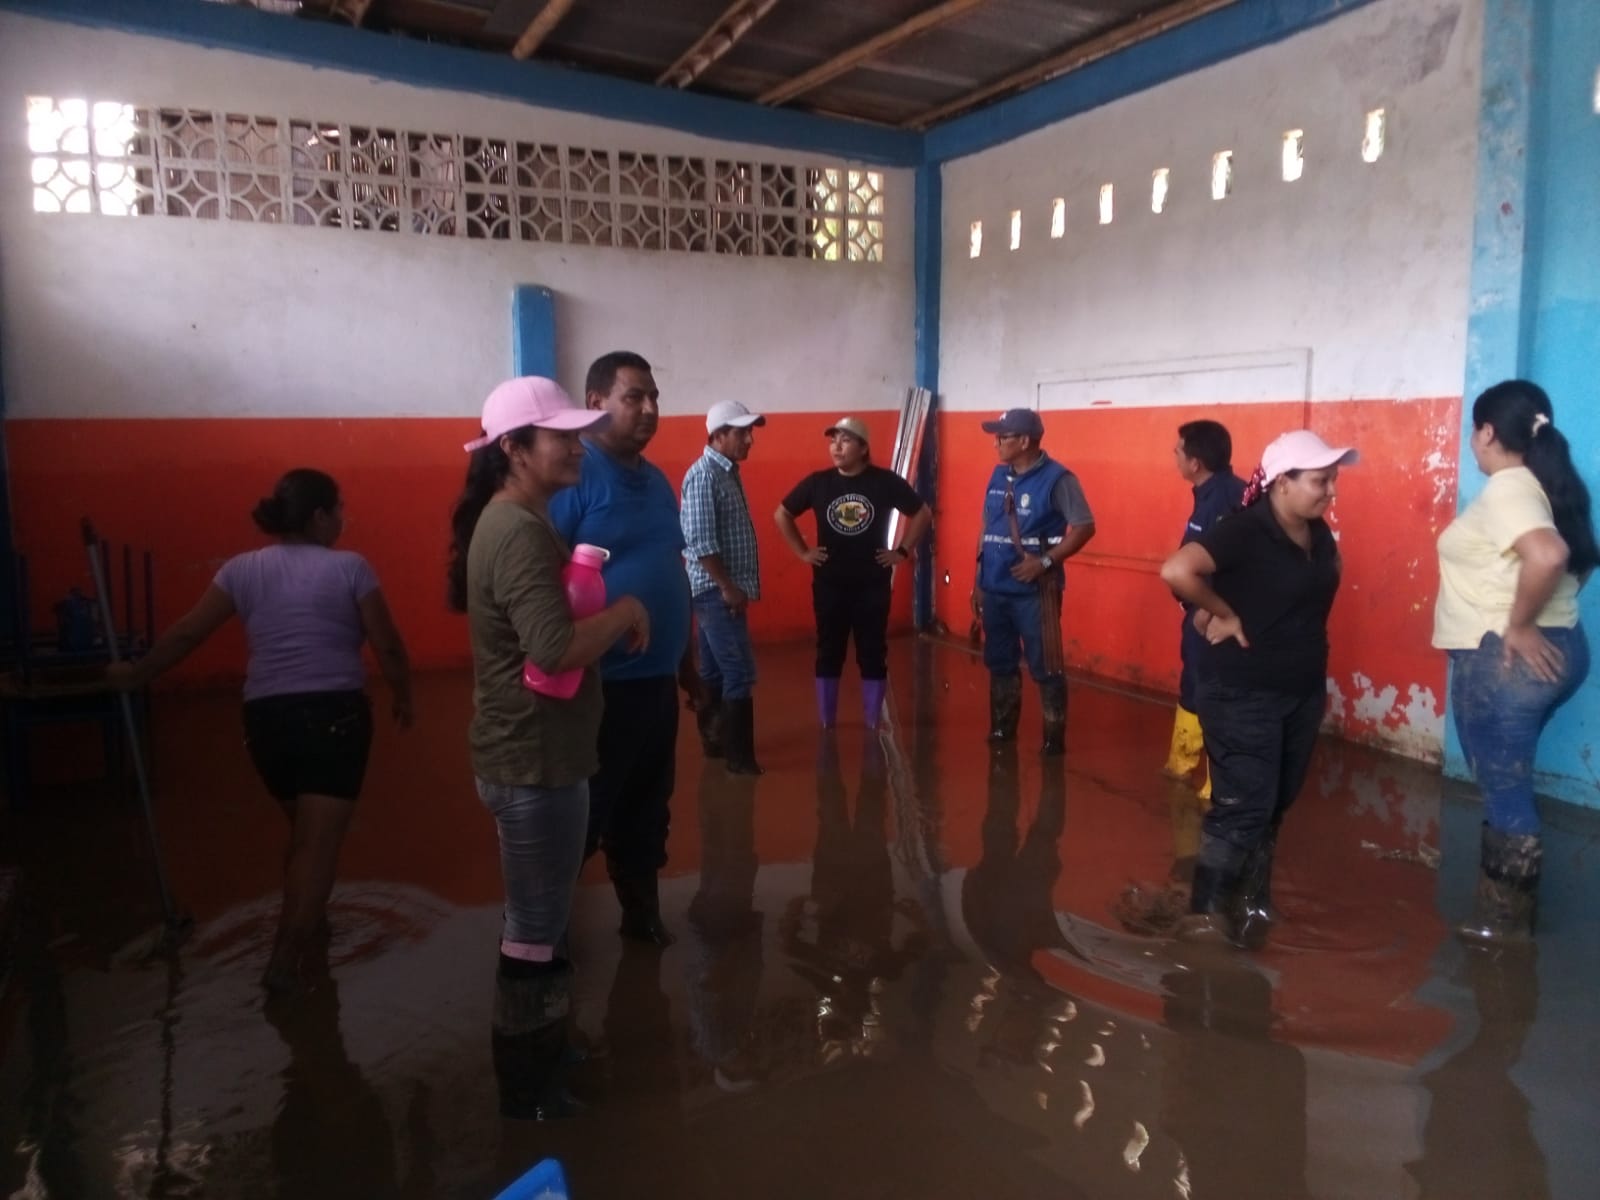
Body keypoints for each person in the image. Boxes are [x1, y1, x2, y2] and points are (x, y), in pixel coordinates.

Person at [107, 469, 412, 994]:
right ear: (319, 515)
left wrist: (136, 674)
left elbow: (188, 633)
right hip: (332, 718)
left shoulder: (241, 570)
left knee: (303, 836)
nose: (343, 520)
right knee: (317, 846)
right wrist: (403, 693)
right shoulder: (350, 567)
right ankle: (284, 964)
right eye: (339, 510)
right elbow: (386, 643)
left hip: (266, 724)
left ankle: (311, 923)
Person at [447, 375, 650, 1121]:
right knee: (533, 931)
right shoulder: (517, 530)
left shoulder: (517, 520)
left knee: (545, 919)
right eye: (560, 437)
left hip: (541, 753)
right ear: (514, 449)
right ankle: (528, 1090)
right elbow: (555, 649)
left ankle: (549, 1051)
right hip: (531, 761)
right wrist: (626, 610)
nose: (576, 447)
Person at [1159, 430, 1358, 947]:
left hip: (1300, 692)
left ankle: (1250, 905)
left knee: (1272, 806)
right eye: (1320, 480)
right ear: (1282, 482)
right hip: (1240, 692)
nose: (1331, 490)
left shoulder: (1318, 534)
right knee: (1242, 809)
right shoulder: (1245, 530)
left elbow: (1321, 579)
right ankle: (1204, 922)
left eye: (1332, 479)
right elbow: (1177, 570)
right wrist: (1222, 612)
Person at [1432, 380, 1595, 944]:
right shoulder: (1553, 484)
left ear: (1486, 432)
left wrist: (1520, 626)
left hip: (1505, 662)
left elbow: (1549, 555)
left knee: (1504, 786)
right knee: (1510, 775)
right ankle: (1507, 910)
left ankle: (1502, 926)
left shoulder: (1509, 487)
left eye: (1473, 433)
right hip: (1565, 650)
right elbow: (1581, 559)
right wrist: (1548, 616)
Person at [549, 350, 698, 947]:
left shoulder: (657, 481)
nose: (649, 408)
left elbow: (671, 567)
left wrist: (688, 661)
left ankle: (641, 917)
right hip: (598, 683)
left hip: (656, 681)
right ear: (596, 403)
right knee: (583, 810)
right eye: (634, 396)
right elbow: (542, 580)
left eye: (653, 396)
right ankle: (541, 937)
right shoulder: (574, 476)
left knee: (647, 805)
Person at [774, 416, 932, 730]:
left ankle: (872, 721)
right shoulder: (818, 483)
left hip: (872, 584)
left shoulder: (884, 482)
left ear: (863, 448)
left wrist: (902, 551)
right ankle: (827, 721)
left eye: (845, 441)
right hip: (829, 583)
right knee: (828, 651)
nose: (837, 447)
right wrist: (803, 552)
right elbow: (782, 514)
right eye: (833, 441)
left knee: (872, 652)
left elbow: (922, 513)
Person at [970, 408, 1096, 755]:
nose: (996, 444)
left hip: (1036, 593)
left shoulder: (1058, 479)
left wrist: (1044, 562)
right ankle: (1002, 731)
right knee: (1000, 662)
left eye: (1002, 437)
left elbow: (1084, 526)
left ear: (1024, 441)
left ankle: (1053, 742)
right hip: (995, 590)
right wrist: (978, 581)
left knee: (1047, 666)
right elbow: (986, 528)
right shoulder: (998, 476)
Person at [1163, 420, 1246, 806]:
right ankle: (1181, 765)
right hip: (1198, 614)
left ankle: (1216, 789)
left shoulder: (1228, 499)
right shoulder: (1210, 493)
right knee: (1194, 685)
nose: (1174, 456)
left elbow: (1237, 561)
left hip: (1213, 619)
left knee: (1214, 694)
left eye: (1178, 451)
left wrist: (1210, 608)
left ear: (1195, 462)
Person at [682, 399, 766, 775]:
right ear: (718, 436)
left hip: (720, 589)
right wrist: (727, 587)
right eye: (741, 433)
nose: (749, 440)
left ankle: (715, 743)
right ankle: (739, 759)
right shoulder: (705, 475)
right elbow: (700, 542)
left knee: (715, 671)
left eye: (750, 432)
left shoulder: (726, 471)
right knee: (739, 672)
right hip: (715, 592)